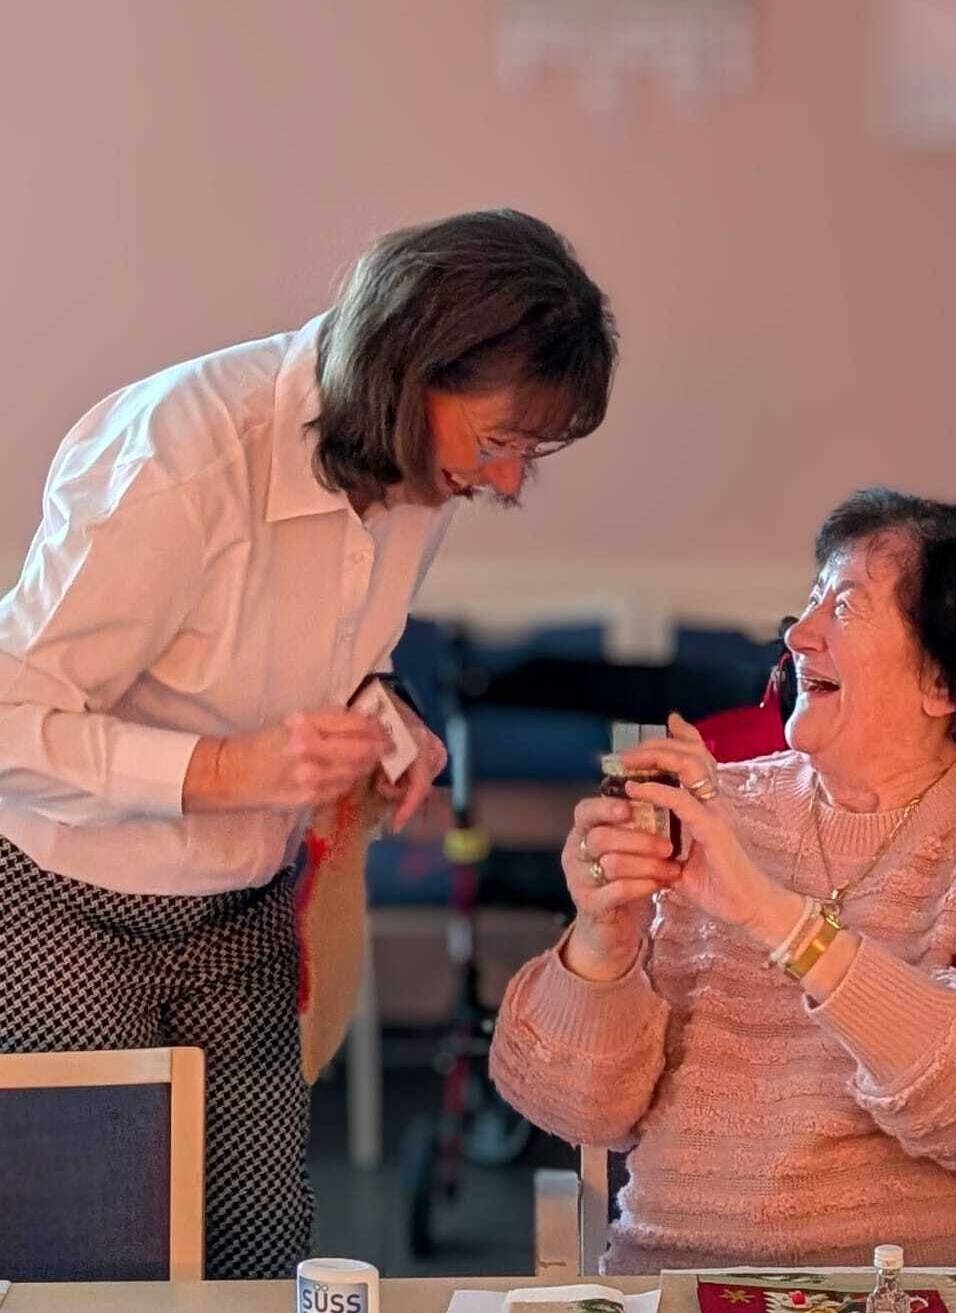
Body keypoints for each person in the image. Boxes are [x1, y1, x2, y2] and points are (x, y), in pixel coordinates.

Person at [0, 209, 617, 1278]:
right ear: (414, 367)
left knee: (256, 1254)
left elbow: (321, 650)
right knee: (95, 1270)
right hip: (69, 912)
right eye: (503, 441)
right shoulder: (179, 457)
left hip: (243, 906)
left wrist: (386, 722)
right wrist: (228, 770)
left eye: (530, 451)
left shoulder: (418, 465)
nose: (508, 481)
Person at [491, 488, 956, 1273]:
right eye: (808, 603)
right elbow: (574, 1108)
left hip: (946, 1281)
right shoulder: (711, 810)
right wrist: (603, 938)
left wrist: (777, 919)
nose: (796, 635)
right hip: (683, 1279)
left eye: (844, 607)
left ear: (952, 681)